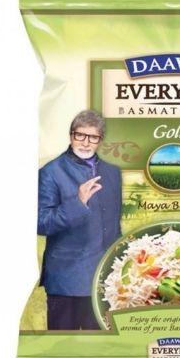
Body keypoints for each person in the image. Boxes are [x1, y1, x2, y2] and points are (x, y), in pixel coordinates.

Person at [37, 110, 122, 330]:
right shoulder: (50, 172)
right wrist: (79, 202)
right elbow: (41, 223)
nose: (85, 142)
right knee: (64, 345)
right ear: (71, 135)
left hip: (104, 280)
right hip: (67, 280)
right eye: (80, 135)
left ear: (100, 140)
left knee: (100, 346)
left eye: (92, 137)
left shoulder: (113, 172)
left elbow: (114, 225)